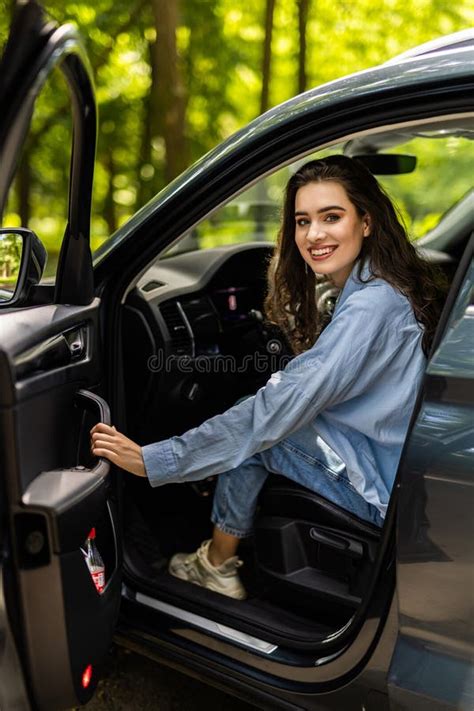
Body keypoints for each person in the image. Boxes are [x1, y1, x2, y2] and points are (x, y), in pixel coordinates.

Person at [91, 155, 445, 600]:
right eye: (302, 221)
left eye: (331, 217)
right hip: (388, 464)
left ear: (367, 221)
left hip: (378, 490)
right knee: (255, 419)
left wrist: (157, 459)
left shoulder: (371, 306)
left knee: (257, 429)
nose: (314, 235)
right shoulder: (381, 286)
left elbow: (277, 410)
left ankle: (216, 565)